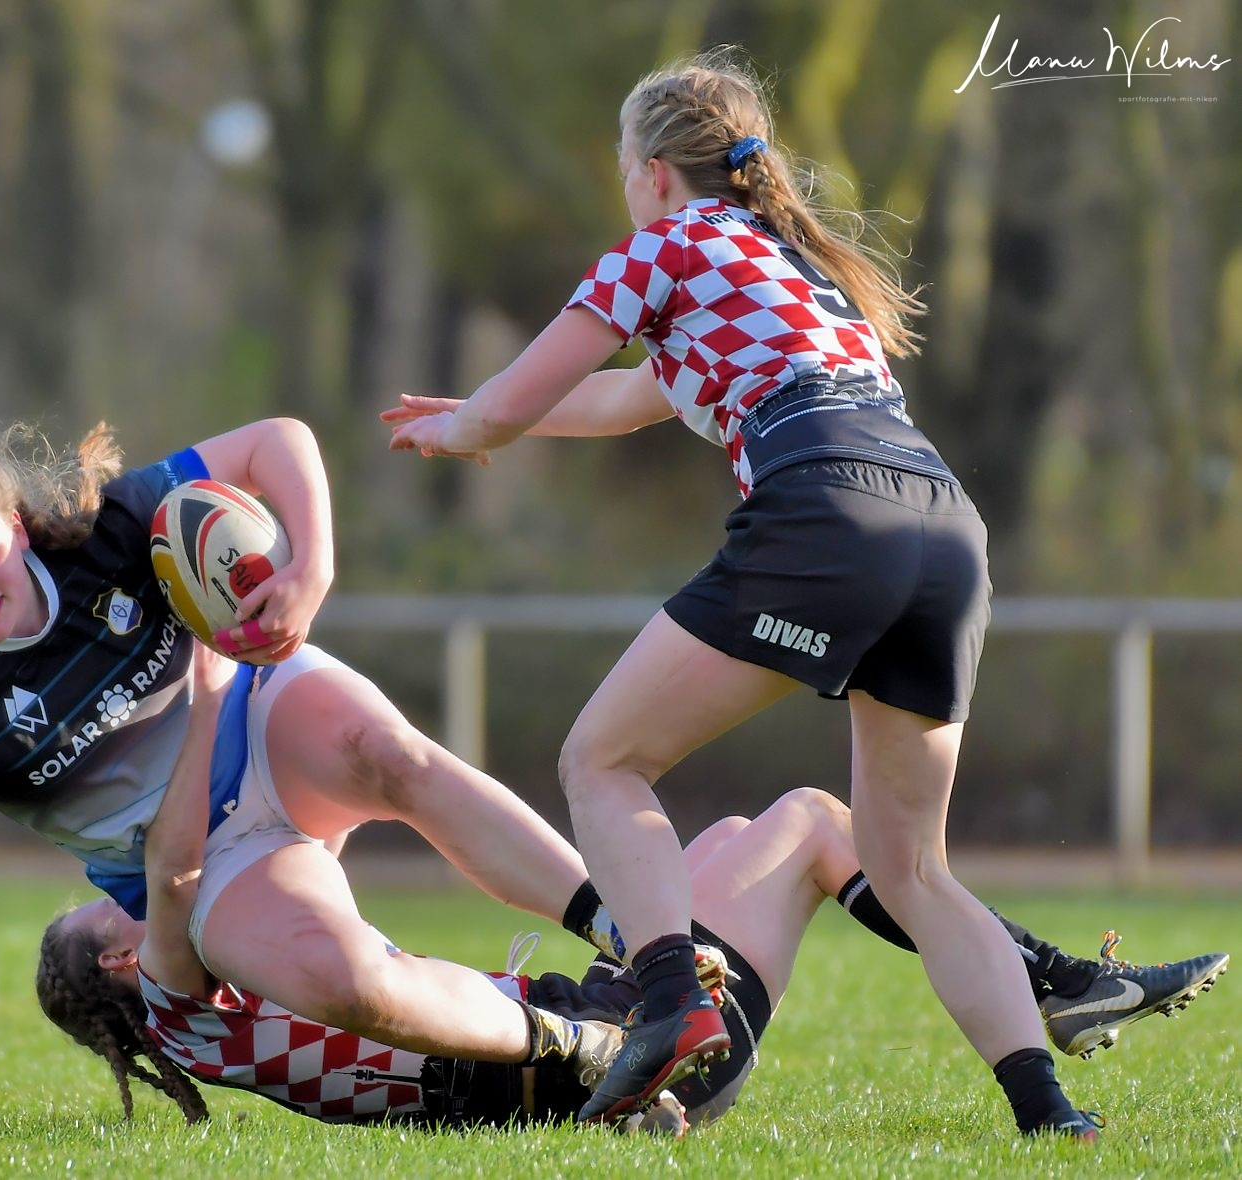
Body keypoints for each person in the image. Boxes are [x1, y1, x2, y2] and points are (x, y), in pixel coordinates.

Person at [383, 46, 1108, 1136]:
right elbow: (623, 398)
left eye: (623, 166)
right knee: (910, 867)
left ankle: (673, 1002)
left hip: (827, 509)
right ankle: (1052, 1116)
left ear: (653, 171)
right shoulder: (794, 266)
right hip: (946, 529)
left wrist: (468, 424)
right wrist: (487, 413)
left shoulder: (664, 245)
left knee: (602, 761)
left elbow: (518, 398)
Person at [0, 416, 625, 1122]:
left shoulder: (107, 530)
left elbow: (278, 440)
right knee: (347, 986)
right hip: (207, 863)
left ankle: (638, 942)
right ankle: (580, 1045)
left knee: (387, 754)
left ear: (15, 526)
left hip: (263, 713)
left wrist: (312, 568)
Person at [40, 783, 1228, 1132]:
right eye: (110, 914)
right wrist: (215, 665)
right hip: (633, 1046)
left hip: (576, 1048)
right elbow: (181, 863)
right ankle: (1055, 990)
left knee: (719, 837)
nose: (128, 898)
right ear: (121, 970)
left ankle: (1053, 984)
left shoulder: (212, 1015)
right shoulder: (188, 980)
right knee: (812, 824)